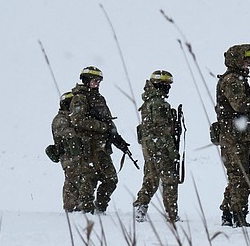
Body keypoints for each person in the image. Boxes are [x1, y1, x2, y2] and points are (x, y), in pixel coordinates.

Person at [67, 66, 131, 214]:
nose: (97, 83)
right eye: (95, 81)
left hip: (102, 147)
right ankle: (86, 211)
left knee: (111, 179)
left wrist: (117, 138)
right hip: (88, 146)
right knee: (89, 179)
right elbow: (77, 120)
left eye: (98, 81)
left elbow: (108, 121)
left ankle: (100, 208)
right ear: (86, 81)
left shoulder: (99, 99)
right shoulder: (79, 98)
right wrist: (101, 127)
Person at [214, 44, 250, 228]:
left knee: (237, 177)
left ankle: (228, 214)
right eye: (246, 58)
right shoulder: (232, 80)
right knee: (241, 179)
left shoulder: (240, 79)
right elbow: (240, 105)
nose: (249, 63)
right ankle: (238, 216)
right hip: (233, 137)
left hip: (239, 136)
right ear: (236, 59)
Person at [133, 70, 181, 223]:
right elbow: (161, 130)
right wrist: (172, 151)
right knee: (170, 179)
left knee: (151, 178)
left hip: (150, 146)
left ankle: (141, 206)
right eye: (166, 85)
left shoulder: (149, 101)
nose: (168, 88)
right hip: (160, 146)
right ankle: (171, 213)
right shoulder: (158, 103)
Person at [48, 91, 77, 212]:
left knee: (77, 179)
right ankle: (70, 207)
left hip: (71, 155)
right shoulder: (61, 119)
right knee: (72, 179)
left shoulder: (68, 118)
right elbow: (68, 134)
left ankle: (75, 205)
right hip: (67, 155)